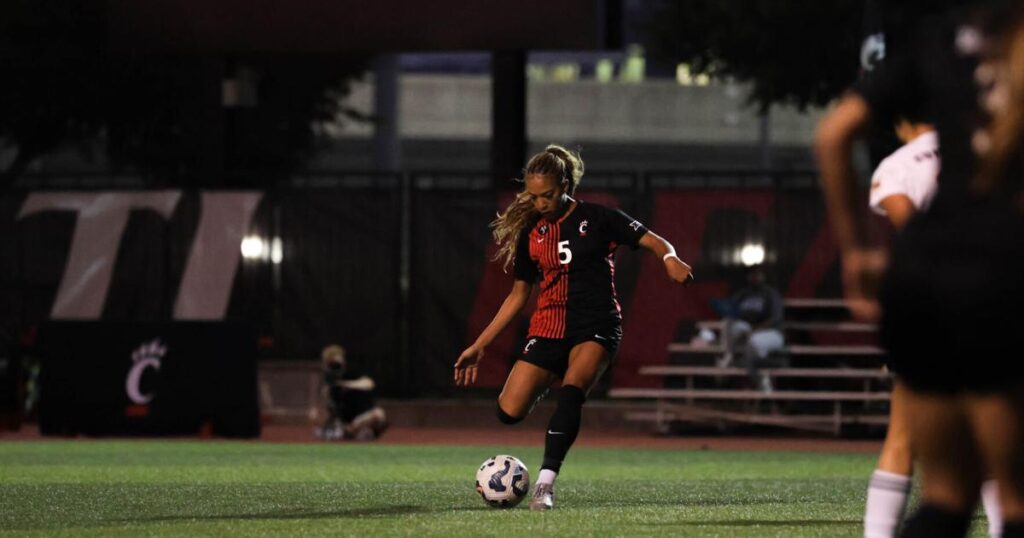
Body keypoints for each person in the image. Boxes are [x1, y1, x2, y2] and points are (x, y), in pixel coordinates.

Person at [816, 4, 1024, 537]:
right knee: (1013, 493)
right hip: (1003, 273)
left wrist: (857, 252)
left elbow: (834, 134)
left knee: (944, 498)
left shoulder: (939, 35)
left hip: (924, 277)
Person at [454, 144, 693, 510]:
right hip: (548, 327)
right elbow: (518, 295)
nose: (540, 203)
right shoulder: (531, 232)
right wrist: (480, 344)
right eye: (533, 196)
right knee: (509, 412)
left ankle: (545, 486)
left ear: (565, 184)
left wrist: (670, 258)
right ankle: (553, 379)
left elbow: (655, 242)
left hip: (596, 324)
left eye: (547, 195)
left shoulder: (599, 218)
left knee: (572, 392)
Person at [863, 118, 1002, 538]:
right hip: (996, 305)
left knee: (903, 438)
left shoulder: (897, 166)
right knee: (998, 438)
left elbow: (916, 240)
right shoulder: (990, 144)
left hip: (933, 308)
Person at [719, 265, 785, 393]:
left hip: (771, 333)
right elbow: (730, 311)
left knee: (753, 343)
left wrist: (754, 330)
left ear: (763, 276)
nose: (754, 277)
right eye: (752, 275)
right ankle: (729, 356)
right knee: (728, 323)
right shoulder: (743, 294)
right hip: (749, 330)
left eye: (757, 274)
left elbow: (775, 318)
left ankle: (761, 378)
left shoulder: (770, 294)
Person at [318, 344, 388, 441]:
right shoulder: (329, 380)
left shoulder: (352, 371)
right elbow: (329, 407)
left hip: (361, 417)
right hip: (344, 419)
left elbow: (369, 383)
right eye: (332, 364)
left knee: (378, 414)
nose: (336, 367)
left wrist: (346, 385)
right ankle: (348, 432)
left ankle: (354, 431)